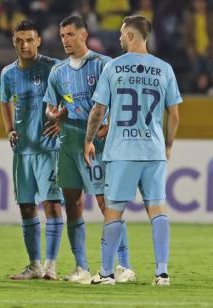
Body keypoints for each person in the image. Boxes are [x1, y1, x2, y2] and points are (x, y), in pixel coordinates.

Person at [85, 15, 181, 286]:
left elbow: (98, 110)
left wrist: (88, 139)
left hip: (122, 151)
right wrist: (169, 144)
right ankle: (162, 273)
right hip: (153, 150)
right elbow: (173, 115)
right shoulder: (164, 68)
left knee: (113, 211)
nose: (118, 38)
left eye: (121, 33)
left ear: (130, 35)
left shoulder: (113, 68)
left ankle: (105, 274)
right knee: (158, 211)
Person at [43, 15, 134, 284]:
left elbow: (120, 104)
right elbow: (49, 108)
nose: (65, 40)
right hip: (68, 143)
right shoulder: (57, 71)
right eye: (62, 36)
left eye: (70, 34)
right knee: (71, 202)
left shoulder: (105, 65)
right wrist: (54, 115)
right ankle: (81, 267)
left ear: (84, 35)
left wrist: (107, 128)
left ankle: (124, 265)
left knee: (107, 204)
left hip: (97, 143)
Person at [0, 20, 63, 280]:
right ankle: (34, 265)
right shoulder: (8, 73)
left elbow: (70, 97)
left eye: (29, 40)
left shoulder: (53, 68)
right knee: (26, 207)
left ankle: (51, 264)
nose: (24, 45)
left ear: (38, 40)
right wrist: (9, 129)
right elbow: (4, 102)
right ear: (14, 41)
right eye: (19, 40)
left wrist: (62, 121)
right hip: (22, 149)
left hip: (48, 149)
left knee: (52, 205)